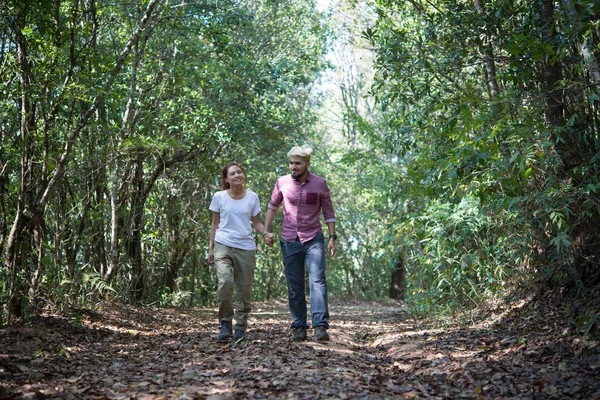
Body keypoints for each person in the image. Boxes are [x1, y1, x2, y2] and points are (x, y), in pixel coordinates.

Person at [263, 145, 337, 342]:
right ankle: (299, 326)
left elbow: (328, 212)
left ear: (307, 164)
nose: (293, 167)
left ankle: (320, 326)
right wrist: (266, 231)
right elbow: (272, 206)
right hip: (289, 239)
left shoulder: (320, 184)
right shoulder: (282, 183)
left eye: (297, 163)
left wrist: (332, 237)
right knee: (295, 285)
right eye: (291, 163)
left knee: (317, 281)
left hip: (313, 238)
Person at [208, 162, 268, 341]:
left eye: (239, 172)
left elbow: (256, 222)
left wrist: (266, 233)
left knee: (244, 289)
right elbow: (214, 224)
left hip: (246, 247)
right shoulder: (219, 197)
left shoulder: (252, 197)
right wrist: (210, 248)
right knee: (225, 281)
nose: (237, 175)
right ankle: (225, 323)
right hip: (222, 244)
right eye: (233, 173)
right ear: (226, 179)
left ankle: (241, 326)